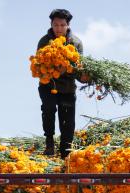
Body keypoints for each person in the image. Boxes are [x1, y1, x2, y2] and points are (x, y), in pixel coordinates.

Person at [36, 9, 83, 159]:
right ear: (51, 24)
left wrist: (70, 70)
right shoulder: (44, 41)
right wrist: (53, 70)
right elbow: (38, 66)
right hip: (48, 86)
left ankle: (65, 152)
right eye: (56, 25)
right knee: (48, 110)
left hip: (68, 88)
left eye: (62, 25)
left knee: (67, 122)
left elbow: (79, 69)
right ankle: (49, 142)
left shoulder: (76, 43)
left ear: (68, 25)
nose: (59, 29)